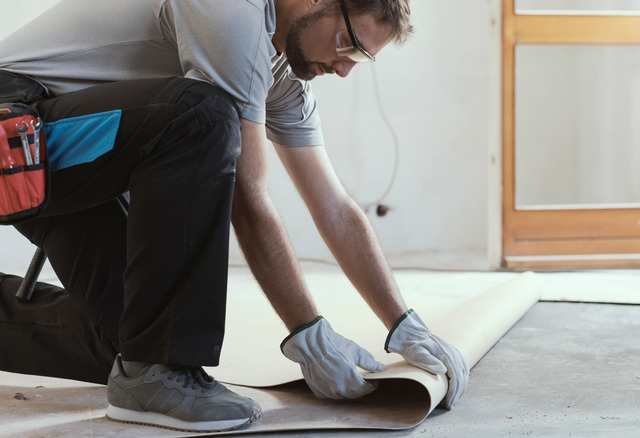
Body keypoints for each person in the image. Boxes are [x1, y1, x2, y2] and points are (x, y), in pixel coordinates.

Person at [0, 0, 468, 433]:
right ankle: (160, 374)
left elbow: (334, 205)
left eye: (361, 58)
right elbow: (247, 193)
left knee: (134, 336)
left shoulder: (280, 72)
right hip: (14, 132)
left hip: (65, 151)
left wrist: (401, 321)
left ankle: (147, 369)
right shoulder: (231, 11)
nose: (346, 69)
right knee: (200, 118)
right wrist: (307, 332)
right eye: (349, 44)